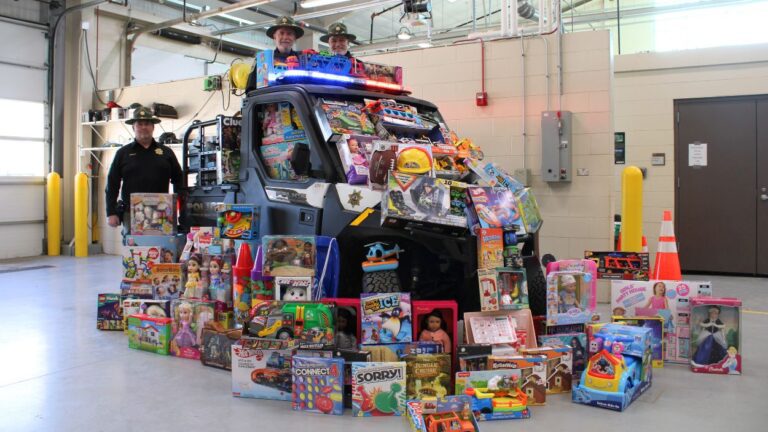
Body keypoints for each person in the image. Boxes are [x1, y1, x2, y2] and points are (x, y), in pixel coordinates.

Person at [105, 106, 182, 240]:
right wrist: (111, 212)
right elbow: (112, 185)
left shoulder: (166, 153)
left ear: (153, 127)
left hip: (162, 213)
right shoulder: (123, 154)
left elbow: (179, 182)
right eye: (139, 124)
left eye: (147, 123)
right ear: (133, 127)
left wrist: (182, 210)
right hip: (132, 213)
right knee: (134, 253)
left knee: (161, 250)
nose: (143, 127)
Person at [246, 16, 304, 91]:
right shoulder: (263, 60)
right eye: (281, 33)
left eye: (289, 34)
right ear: (274, 36)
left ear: (295, 38)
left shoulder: (303, 60)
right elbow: (250, 90)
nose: (285, 37)